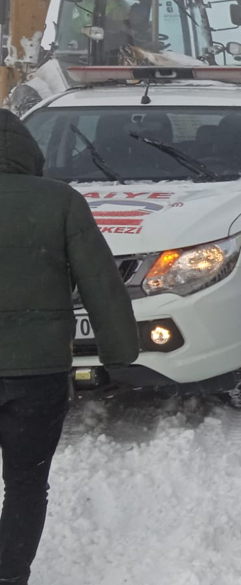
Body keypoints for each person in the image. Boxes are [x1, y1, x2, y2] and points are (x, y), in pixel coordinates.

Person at [0, 110, 139, 585]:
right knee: (25, 482)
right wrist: (120, 350)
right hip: (37, 375)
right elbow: (100, 282)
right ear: (30, 154)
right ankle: (11, 573)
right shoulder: (60, 201)